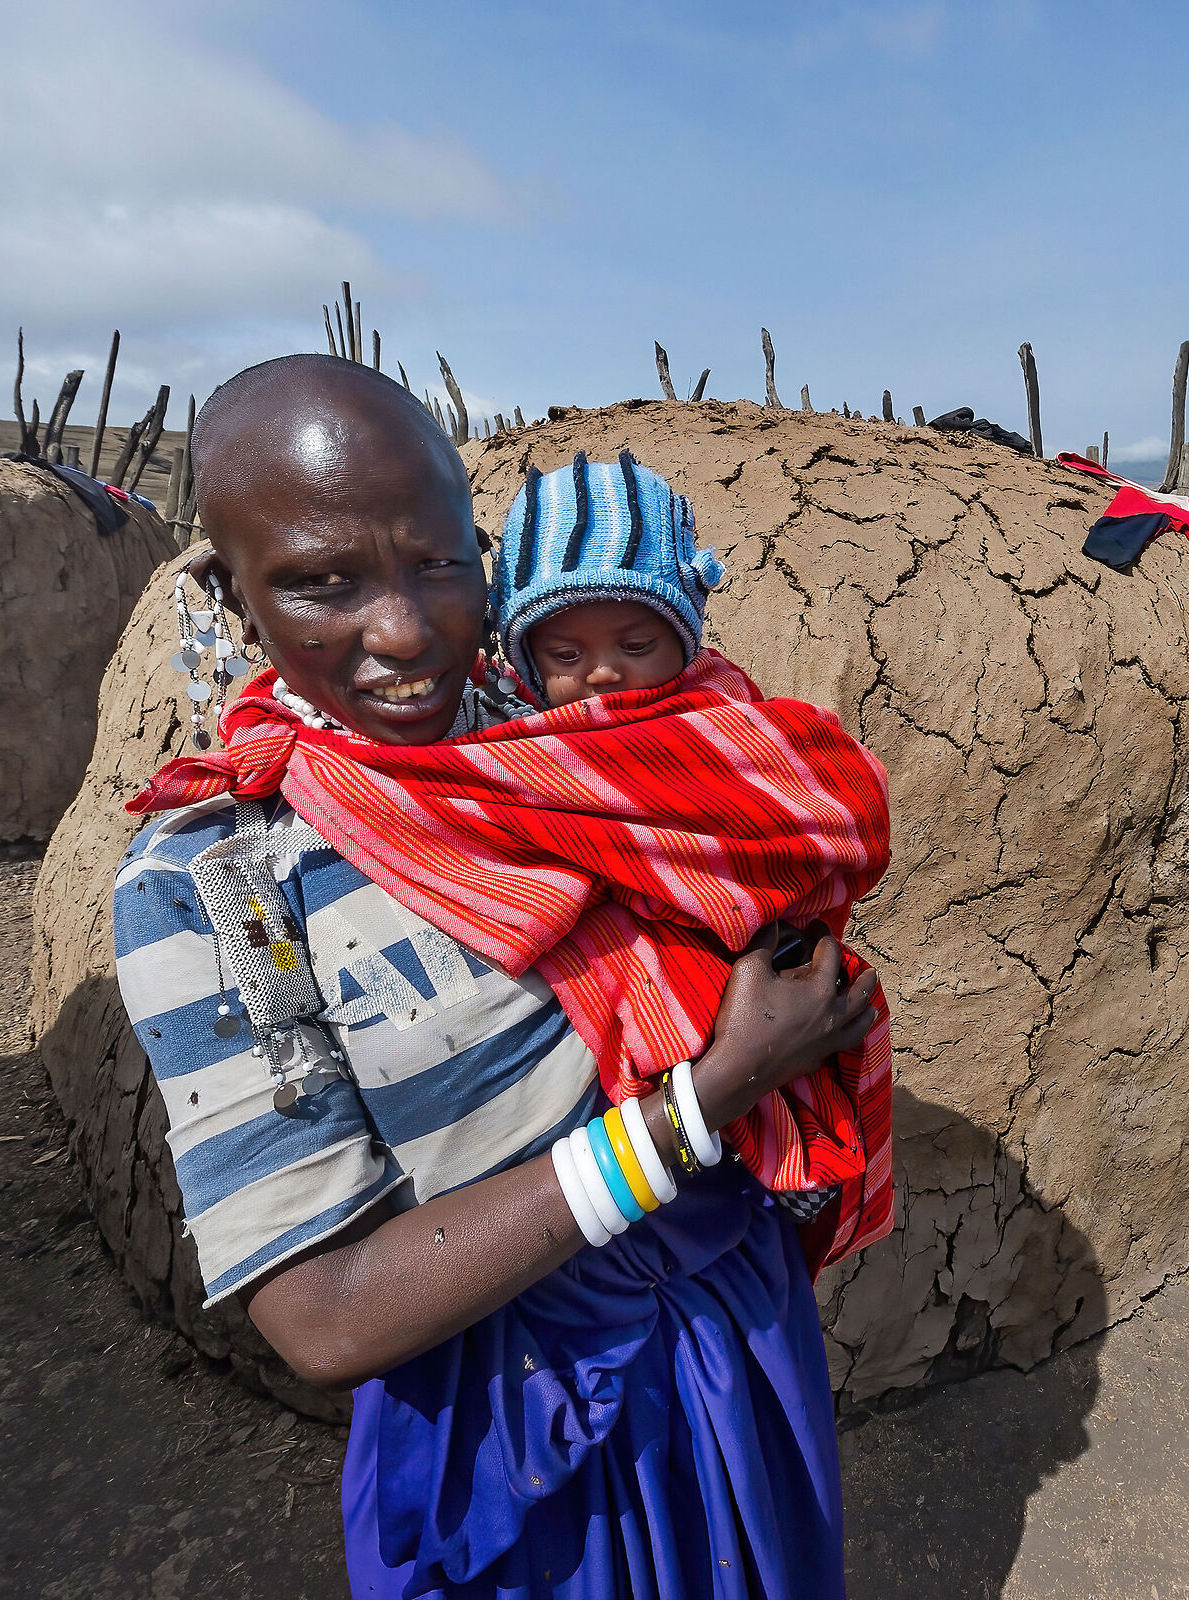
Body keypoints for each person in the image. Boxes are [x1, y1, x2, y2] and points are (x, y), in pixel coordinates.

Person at [111, 353, 887, 1598]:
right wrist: (705, 1102)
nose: (403, 631)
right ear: (234, 599)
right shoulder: (223, 884)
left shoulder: (562, 738)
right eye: (321, 582)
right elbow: (327, 1313)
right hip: (509, 1413)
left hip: (729, 1326)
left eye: (436, 564)